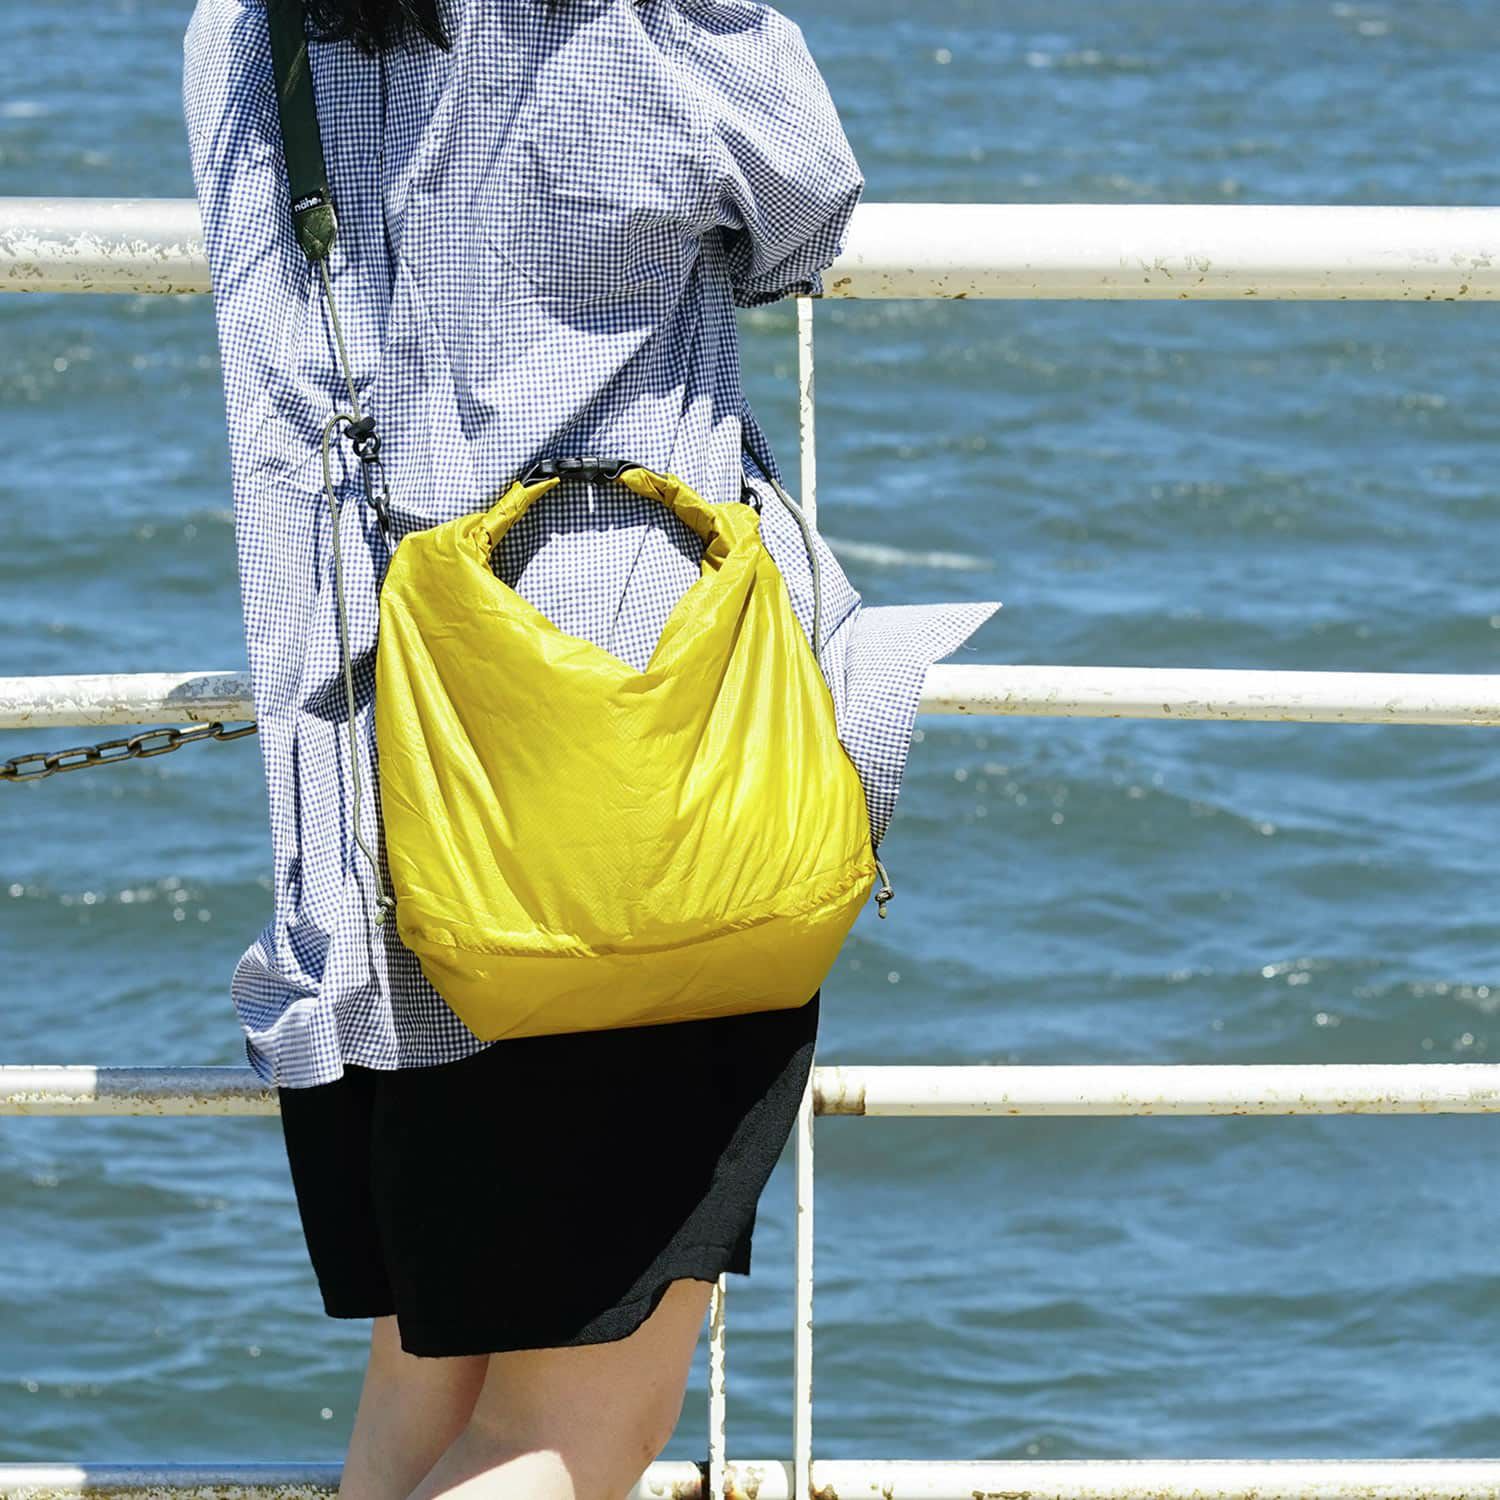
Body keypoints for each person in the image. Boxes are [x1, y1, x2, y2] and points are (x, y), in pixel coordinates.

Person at [181, 0, 999, 1495]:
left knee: (430, 1386)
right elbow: (804, 207)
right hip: (634, 783)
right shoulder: (635, 17)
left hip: (379, 806)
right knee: (569, 1431)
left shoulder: (245, 27)